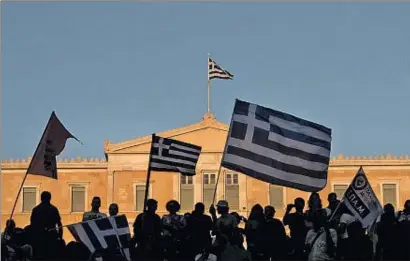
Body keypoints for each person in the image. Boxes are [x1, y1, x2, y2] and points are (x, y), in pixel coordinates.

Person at [30, 191, 63, 260]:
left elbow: (32, 225)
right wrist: (60, 236)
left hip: (39, 239)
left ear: (41, 198)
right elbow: (59, 224)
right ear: (50, 198)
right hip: (51, 238)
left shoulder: (36, 210)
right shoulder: (53, 209)